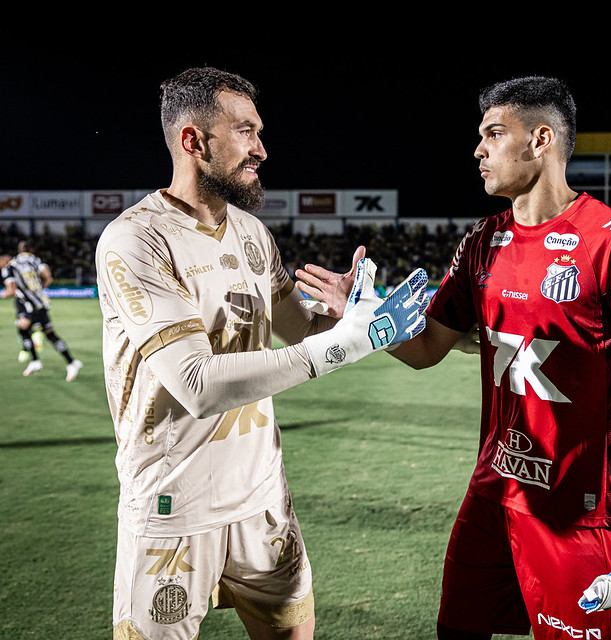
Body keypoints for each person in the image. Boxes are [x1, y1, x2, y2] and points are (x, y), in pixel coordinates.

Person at [298, 75, 611, 640]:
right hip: (491, 495)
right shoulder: (481, 242)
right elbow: (426, 349)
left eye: (494, 134)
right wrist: (366, 319)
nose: (478, 150)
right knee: (456, 629)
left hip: (575, 513)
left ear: (541, 139)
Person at [94, 66, 427, 640]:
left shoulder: (252, 232)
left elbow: (302, 329)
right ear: (194, 140)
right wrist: (341, 346)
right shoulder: (136, 239)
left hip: (263, 501)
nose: (262, 149)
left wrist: (349, 314)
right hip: (176, 509)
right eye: (245, 132)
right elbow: (197, 385)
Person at [0, 242, 83, 380]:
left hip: (29, 306)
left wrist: (3, 294)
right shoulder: (36, 260)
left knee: (23, 327)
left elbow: (11, 291)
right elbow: (48, 277)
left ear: (18, 251)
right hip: (40, 303)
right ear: (31, 250)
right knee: (48, 334)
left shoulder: (11, 266)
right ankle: (70, 362)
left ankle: (36, 361)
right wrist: (38, 291)